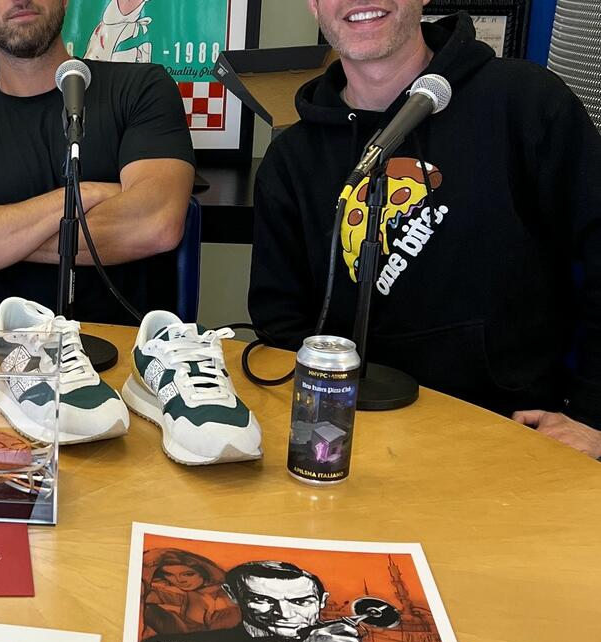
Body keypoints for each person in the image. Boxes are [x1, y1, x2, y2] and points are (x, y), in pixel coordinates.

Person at [248, 0, 601, 456]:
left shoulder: (525, 101)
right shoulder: (290, 162)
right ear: (314, 5)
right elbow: (281, 323)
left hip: (512, 433)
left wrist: (592, 416)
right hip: (355, 440)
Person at [0, 0, 196, 325]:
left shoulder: (142, 89)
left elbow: (156, 224)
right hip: (7, 350)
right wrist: (86, 194)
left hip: (132, 347)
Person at [139, 561, 445, 642]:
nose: (283, 613)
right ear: (233, 596)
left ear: (322, 601)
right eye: (262, 600)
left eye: (301, 601)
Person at [143, 548, 240, 635]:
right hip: (186, 634)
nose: (179, 580)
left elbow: (220, 638)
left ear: (205, 572)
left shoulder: (222, 601)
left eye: (188, 574)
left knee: (149, 610)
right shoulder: (195, 590)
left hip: (198, 641)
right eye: (169, 575)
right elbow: (172, 597)